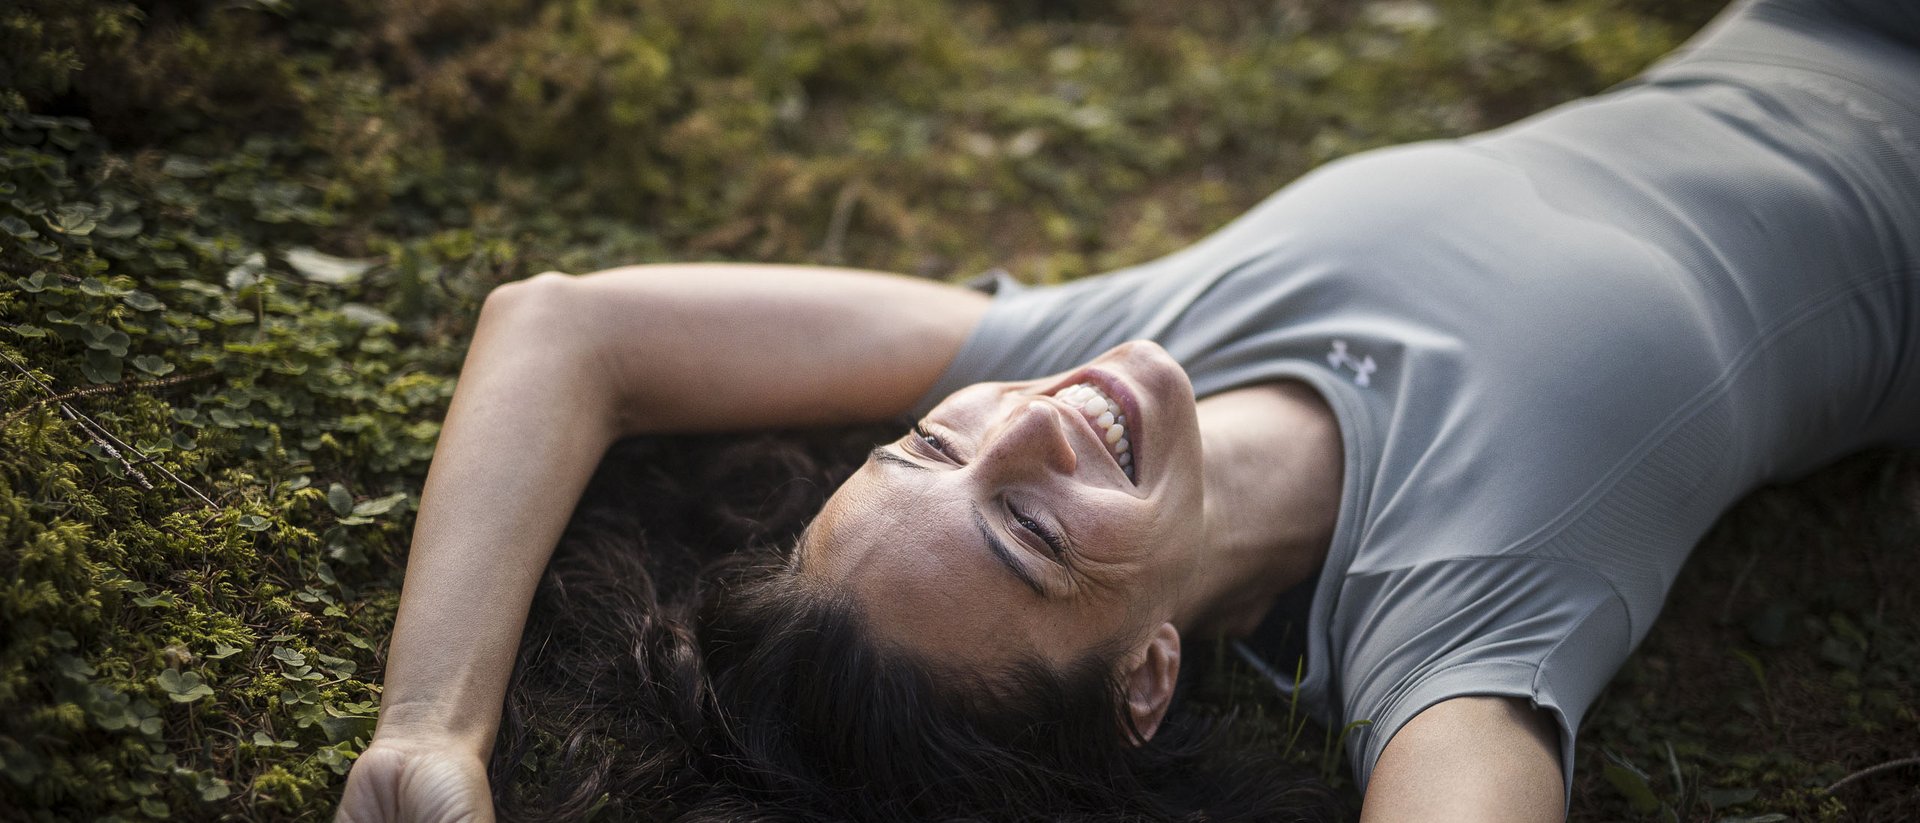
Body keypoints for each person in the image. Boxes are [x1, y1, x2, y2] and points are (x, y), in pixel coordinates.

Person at [336, 0, 1920, 819]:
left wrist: (429, 727)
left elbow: (569, 331)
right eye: (1026, 534)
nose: (1019, 428)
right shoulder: (1455, 629)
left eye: (933, 442)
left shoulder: (1093, 340)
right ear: (1149, 680)